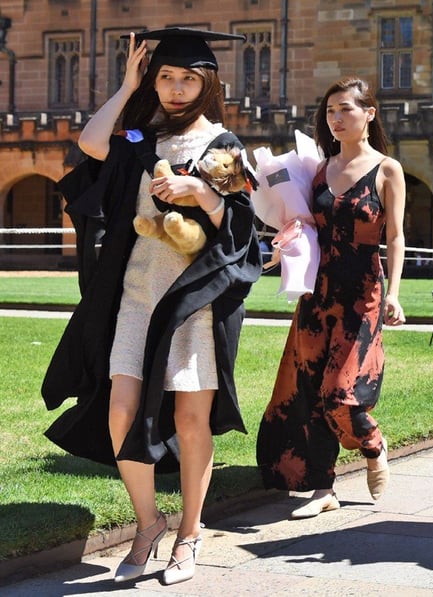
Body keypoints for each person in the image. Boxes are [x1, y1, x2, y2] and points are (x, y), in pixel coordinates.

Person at [40, 29, 261, 585]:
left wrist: (203, 196)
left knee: (190, 419)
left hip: (194, 300)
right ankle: (148, 524)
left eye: (188, 78)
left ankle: (190, 533)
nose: (177, 88)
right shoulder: (140, 138)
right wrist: (125, 86)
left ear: (207, 82)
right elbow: (90, 146)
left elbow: (240, 233)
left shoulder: (223, 145)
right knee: (120, 411)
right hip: (136, 292)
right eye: (166, 76)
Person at [256, 77, 406, 519]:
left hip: (362, 294)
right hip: (317, 294)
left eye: (345, 109)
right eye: (330, 112)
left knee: (341, 392)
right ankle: (322, 486)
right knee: (309, 390)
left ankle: (373, 444)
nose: (336, 119)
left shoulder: (387, 170)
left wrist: (395, 293)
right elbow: (304, 223)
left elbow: (395, 237)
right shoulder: (318, 168)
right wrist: (284, 244)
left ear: (369, 114)